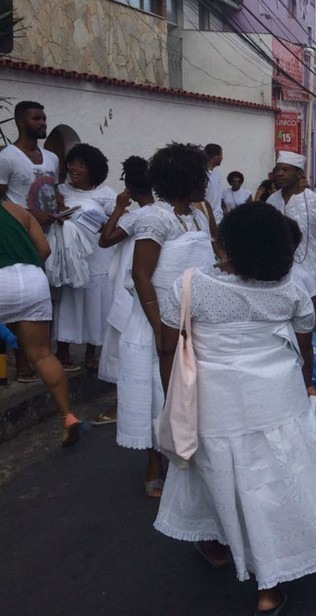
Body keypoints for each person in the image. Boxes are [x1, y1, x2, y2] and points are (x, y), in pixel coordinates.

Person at [154, 204, 316, 614]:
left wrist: (172, 396)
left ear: (227, 240)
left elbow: (169, 347)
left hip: (213, 402)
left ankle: (215, 542)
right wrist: (306, 384)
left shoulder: (189, 285)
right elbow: (304, 351)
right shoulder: (292, 289)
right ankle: (268, 588)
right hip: (276, 401)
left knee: (212, 471)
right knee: (270, 486)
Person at [119, 143, 216, 498]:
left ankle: (185, 460)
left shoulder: (198, 216)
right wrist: (161, 327)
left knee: (188, 395)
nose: (206, 184)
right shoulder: (154, 217)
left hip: (192, 322)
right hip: (155, 322)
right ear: (184, 179)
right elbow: (142, 274)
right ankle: (154, 465)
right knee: (157, 395)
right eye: (201, 177)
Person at [0, 198, 81, 446]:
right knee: (43, 355)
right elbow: (44, 249)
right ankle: (68, 417)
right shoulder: (18, 211)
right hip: (33, 277)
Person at [92, 156, 157, 426]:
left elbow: (105, 240)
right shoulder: (162, 211)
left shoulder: (138, 216)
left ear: (129, 189)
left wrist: (119, 208)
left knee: (126, 347)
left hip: (131, 284)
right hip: (152, 282)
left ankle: (124, 406)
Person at [0, 101, 59, 383]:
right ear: (21, 122)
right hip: (20, 240)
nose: (43, 122)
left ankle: (40, 358)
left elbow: (52, 191)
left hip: (51, 238)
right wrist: (33, 216)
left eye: (44, 117)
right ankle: (22, 365)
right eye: (37, 118)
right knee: (20, 304)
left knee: (41, 303)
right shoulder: (7, 157)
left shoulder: (52, 158)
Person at [53, 144, 116, 373]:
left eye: (82, 164)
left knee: (95, 306)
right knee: (68, 304)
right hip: (71, 260)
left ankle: (92, 353)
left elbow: (118, 221)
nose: (75, 168)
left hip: (98, 259)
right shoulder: (60, 190)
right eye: (72, 163)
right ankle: (63, 351)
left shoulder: (106, 194)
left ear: (94, 168)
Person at [266, 151, 316, 312]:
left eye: (285, 170)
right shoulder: (272, 200)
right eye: (277, 170)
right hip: (278, 272)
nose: (279, 174)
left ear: (299, 174)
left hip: (311, 271)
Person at [203, 143, 224, 223]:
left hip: (218, 217)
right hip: (206, 217)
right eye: (221, 155)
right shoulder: (202, 174)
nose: (222, 158)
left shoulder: (217, 174)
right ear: (215, 157)